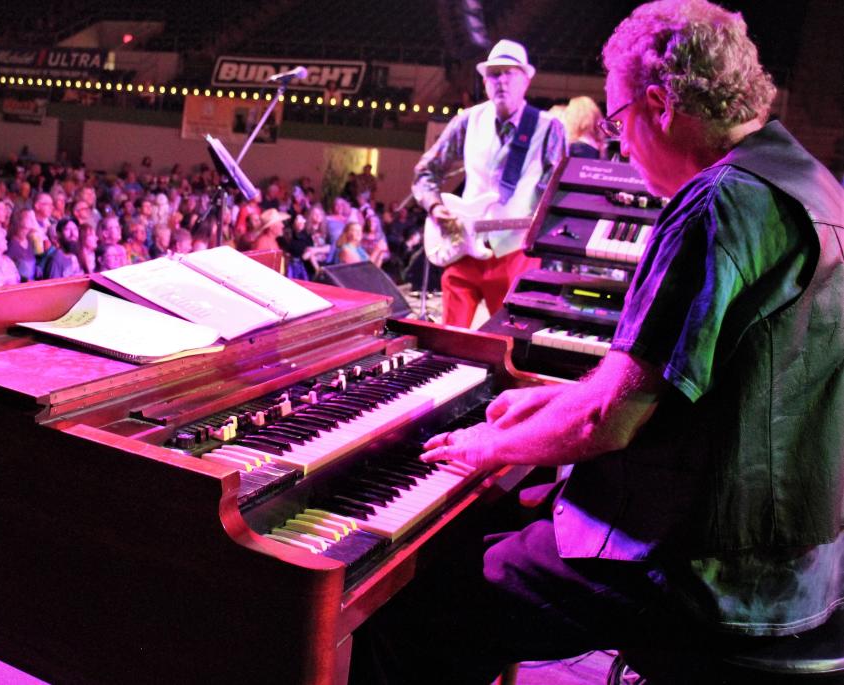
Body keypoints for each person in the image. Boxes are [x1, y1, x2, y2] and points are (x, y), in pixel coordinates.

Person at [353, 3, 844, 682]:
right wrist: (541, 410)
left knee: (411, 605)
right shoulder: (813, 183)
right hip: (792, 565)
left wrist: (487, 445)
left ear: (657, 104)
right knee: (494, 529)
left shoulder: (715, 204)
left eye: (616, 124)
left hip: (694, 572)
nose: (616, 145)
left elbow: (605, 419)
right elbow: (682, 390)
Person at [412, 39, 566, 327]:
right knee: (450, 342)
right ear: (484, 82)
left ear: (526, 80)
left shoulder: (549, 128)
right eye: (494, 74)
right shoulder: (467, 120)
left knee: (507, 347)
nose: (502, 81)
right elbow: (425, 172)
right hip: (463, 250)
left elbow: (556, 192)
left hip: (515, 254)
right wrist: (434, 207)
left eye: (510, 73)